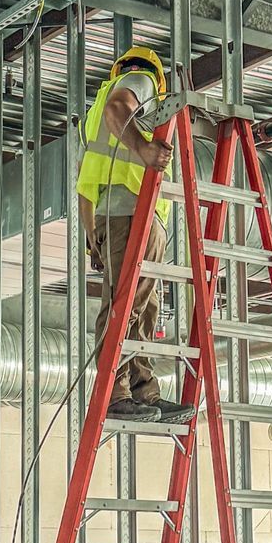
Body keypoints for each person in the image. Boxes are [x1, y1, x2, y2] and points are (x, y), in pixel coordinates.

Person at [77, 43, 182, 423]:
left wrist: (92, 237)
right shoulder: (140, 82)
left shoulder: (92, 118)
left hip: (117, 216)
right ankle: (116, 392)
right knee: (126, 308)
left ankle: (143, 390)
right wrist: (145, 150)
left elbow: (84, 183)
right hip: (132, 212)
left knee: (142, 309)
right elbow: (117, 108)